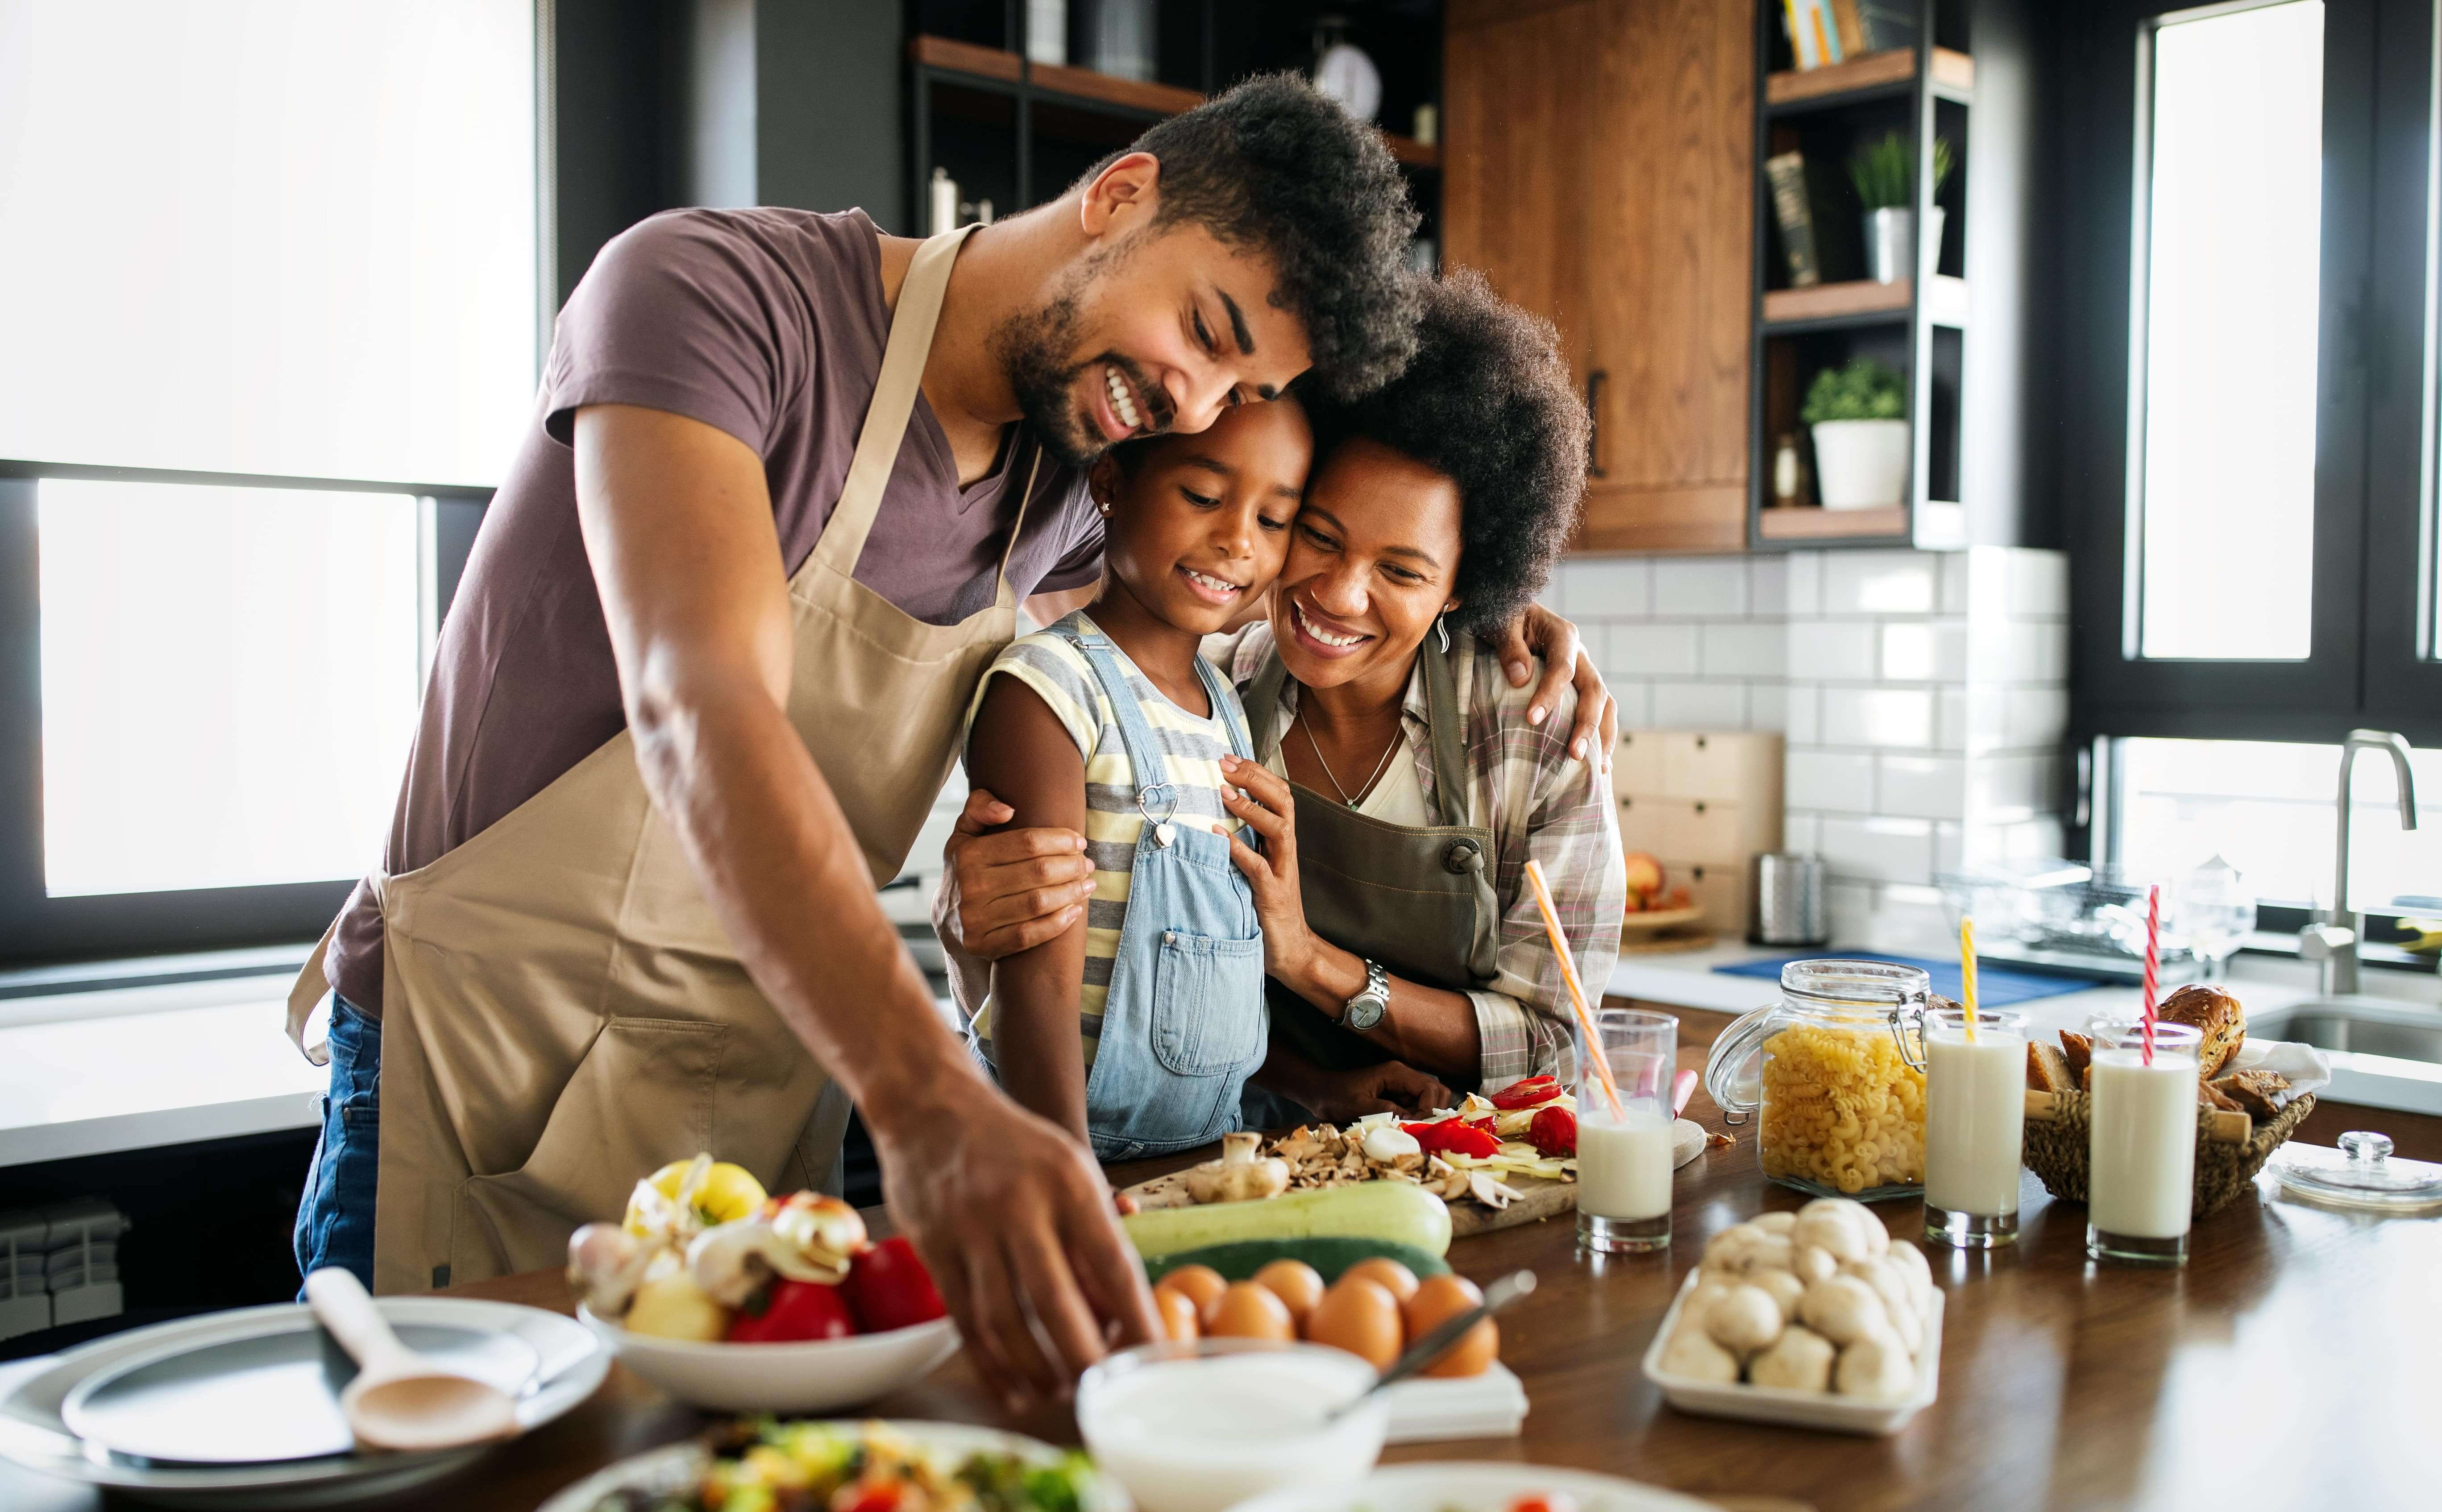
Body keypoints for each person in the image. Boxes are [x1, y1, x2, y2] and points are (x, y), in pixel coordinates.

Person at [284, 70, 1612, 1408]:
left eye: (1239, 383)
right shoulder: (712, 299)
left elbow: (1249, 594)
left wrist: (1489, 611)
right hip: (487, 1059)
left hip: (757, 1081)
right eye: (1202, 327)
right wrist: (930, 1102)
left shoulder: (1080, 481)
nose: (1190, 400)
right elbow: (706, 709)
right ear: (1121, 195)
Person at [944, 271, 1625, 1124]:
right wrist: (971, 902)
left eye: (1402, 572)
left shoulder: (1533, 732)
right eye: (1316, 533)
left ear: (1466, 587)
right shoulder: (1211, 686)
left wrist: (1311, 962)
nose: (1340, 595)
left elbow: (1557, 1040)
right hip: (1239, 1155)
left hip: (1472, 1167)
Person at [964, 399, 1310, 1158]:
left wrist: (1331, 1085)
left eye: (1274, 519)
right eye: (1203, 497)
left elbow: (1205, 986)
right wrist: (1068, 1179)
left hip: (1205, 1154)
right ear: (1111, 482)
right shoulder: (1049, 689)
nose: (1236, 541)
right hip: (1052, 1155)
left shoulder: (1227, 709)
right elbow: (1040, 982)